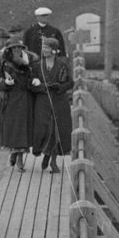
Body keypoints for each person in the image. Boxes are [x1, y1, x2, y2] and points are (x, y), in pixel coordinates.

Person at [31, 37, 73, 173]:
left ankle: (53, 161)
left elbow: (70, 83)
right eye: (43, 47)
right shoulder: (37, 66)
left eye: (47, 48)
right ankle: (46, 154)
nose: (44, 50)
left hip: (59, 102)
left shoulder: (62, 65)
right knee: (43, 129)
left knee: (57, 130)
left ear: (54, 50)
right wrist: (40, 87)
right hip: (42, 102)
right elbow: (30, 83)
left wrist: (59, 87)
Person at [0, 39, 37, 171]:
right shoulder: (5, 64)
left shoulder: (28, 62)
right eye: (14, 48)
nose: (17, 50)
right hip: (12, 99)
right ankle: (14, 153)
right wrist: (5, 84)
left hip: (26, 99)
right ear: (9, 50)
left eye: (19, 48)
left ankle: (19, 158)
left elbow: (32, 77)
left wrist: (34, 81)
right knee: (14, 129)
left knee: (23, 130)